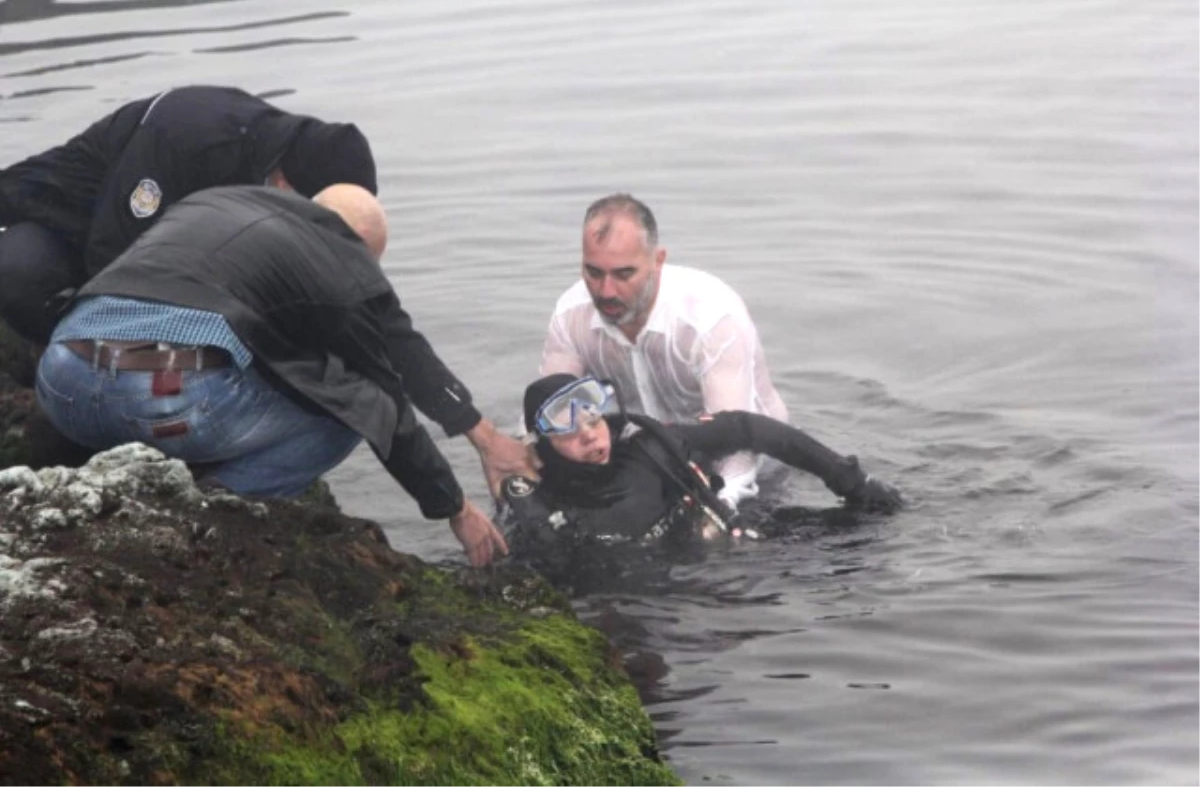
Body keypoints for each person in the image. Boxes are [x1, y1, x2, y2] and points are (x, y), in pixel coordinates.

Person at [34, 183, 530, 566]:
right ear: (359, 248)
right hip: (164, 396)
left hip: (62, 381)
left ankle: (149, 473)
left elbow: (402, 348)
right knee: (354, 409)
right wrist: (454, 507)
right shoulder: (339, 259)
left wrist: (483, 437)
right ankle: (212, 509)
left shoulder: (216, 201)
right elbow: (387, 394)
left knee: (248, 367)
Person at [0, 85, 377, 345]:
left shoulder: (281, 151)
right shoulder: (194, 140)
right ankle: (60, 374)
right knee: (18, 273)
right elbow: (115, 255)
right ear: (285, 183)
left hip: (150, 237)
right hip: (68, 225)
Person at [498, 373, 901, 583]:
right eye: (568, 430)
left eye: (593, 417)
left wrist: (849, 479)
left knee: (866, 538)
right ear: (542, 443)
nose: (589, 433)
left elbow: (747, 428)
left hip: (725, 558)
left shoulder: (652, 448)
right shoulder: (538, 501)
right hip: (660, 602)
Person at [540, 193, 789, 510]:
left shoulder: (710, 319)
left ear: (658, 261)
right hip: (644, 458)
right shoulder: (570, 316)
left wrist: (720, 508)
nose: (605, 291)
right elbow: (551, 411)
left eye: (624, 274)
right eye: (593, 272)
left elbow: (736, 447)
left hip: (756, 469)